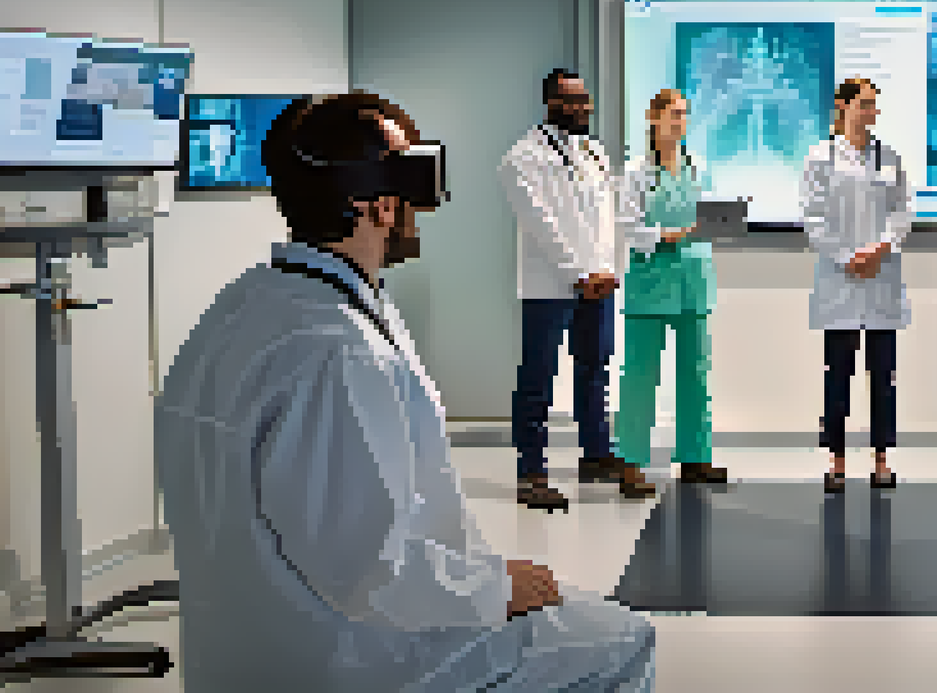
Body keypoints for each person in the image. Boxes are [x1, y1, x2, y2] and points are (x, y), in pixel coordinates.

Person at [154, 92, 656, 693]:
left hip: (246, 648)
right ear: (378, 203)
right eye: (413, 185)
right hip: (346, 658)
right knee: (624, 639)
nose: (420, 210)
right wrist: (498, 589)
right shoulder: (338, 352)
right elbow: (370, 573)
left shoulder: (247, 303)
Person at [500, 69, 655, 511]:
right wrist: (578, 272)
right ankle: (531, 470)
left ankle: (596, 454)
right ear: (551, 102)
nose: (583, 108)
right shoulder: (521, 158)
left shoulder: (594, 151)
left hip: (598, 281)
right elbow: (542, 224)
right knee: (538, 376)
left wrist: (609, 269)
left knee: (595, 367)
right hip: (550, 285)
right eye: (572, 101)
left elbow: (608, 218)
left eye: (585, 100)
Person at [801, 77, 914, 494]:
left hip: (881, 276)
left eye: (873, 106)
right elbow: (812, 219)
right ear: (844, 106)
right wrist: (849, 257)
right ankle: (837, 461)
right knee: (839, 374)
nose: (871, 113)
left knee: (884, 374)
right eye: (864, 105)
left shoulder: (890, 157)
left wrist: (880, 249)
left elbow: (902, 212)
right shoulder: (821, 157)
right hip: (841, 279)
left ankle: (882, 459)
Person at [613, 89, 730, 483]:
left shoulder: (699, 168)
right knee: (640, 374)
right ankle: (630, 462)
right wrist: (666, 235)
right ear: (653, 118)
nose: (680, 122)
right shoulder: (636, 173)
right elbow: (626, 226)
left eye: (684, 115)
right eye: (674, 114)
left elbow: (712, 214)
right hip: (650, 280)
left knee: (696, 372)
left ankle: (696, 457)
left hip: (694, 279)